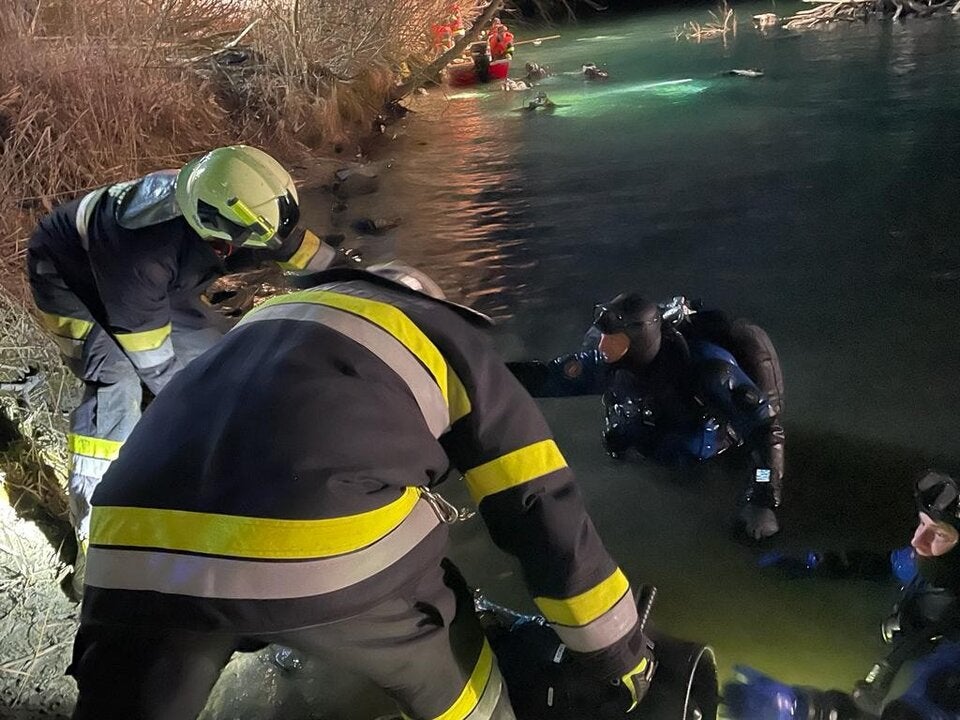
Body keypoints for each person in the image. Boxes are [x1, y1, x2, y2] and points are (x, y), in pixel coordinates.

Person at [68, 263, 658, 720]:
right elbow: (539, 506)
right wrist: (617, 655)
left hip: (124, 548)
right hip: (306, 547)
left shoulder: (261, 323)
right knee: (447, 630)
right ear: (431, 301)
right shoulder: (447, 334)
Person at [27, 145, 341, 588]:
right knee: (114, 388)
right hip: (72, 283)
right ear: (216, 233)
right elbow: (157, 367)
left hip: (162, 284)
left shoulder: (229, 199)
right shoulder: (142, 251)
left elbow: (301, 252)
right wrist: (200, 413)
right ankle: (95, 541)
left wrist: (363, 282)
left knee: (224, 358)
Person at [507, 293, 785, 540]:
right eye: (603, 337)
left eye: (613, 339)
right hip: (643, 459)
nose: (602, 346)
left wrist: (761, 500)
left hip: (705, 466)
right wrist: (488, 373)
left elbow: (765, 431)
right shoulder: (606, 364)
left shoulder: (708, 371)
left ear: (639, 340)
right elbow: (546, 377)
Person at [723, 469, 960, 719]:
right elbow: (882, 565)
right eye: (922, 524)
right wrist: (813, 563)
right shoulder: (920, 564)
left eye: (939, 534)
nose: (917, 541)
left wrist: (809, 710)